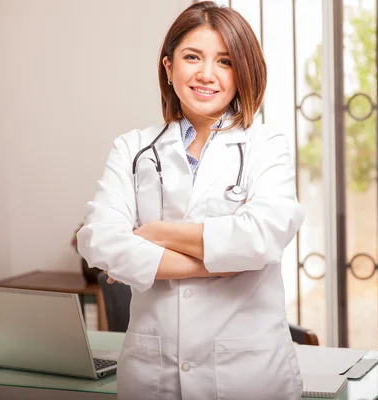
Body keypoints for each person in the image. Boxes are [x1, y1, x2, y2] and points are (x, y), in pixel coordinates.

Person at [76, 2, 305, 399]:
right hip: (152, 374)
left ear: (242, 73)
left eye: (225, 61)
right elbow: (99, 239)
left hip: (246, 375)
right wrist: (218, 265)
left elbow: (260, 238)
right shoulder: (132, 148)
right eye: (192, 57)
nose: (206, 74)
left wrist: (153, 234)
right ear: (168, 67)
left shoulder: (266, 146)